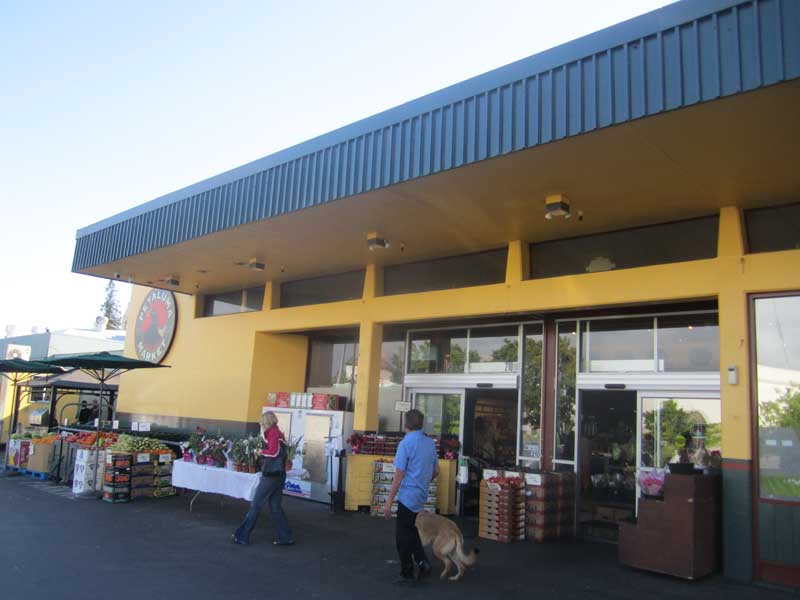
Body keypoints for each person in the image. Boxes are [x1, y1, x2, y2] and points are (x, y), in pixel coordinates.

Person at [384, 409, 439, 584]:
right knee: (412, 530)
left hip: (407, 497)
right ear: (421, 424)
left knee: (402, 537)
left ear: (406, 424)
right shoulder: (429, 443)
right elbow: (436, 471)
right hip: (421, 496)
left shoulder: (405, 444)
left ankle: (407, 572)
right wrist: (422, 481)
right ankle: (423, 562)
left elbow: (398, 476)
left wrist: (389, 501)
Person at [232, 412, 294, 546]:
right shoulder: (278, 433)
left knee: (255, 505)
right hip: (279, 475)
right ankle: (285, 536)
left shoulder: (272, 433)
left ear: (267, 422)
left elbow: (273, 452)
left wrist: (260, 452)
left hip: (270, 476)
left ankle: (242, 535)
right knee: (275, 506)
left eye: (262, 422)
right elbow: (281, 452)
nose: (261, 425)